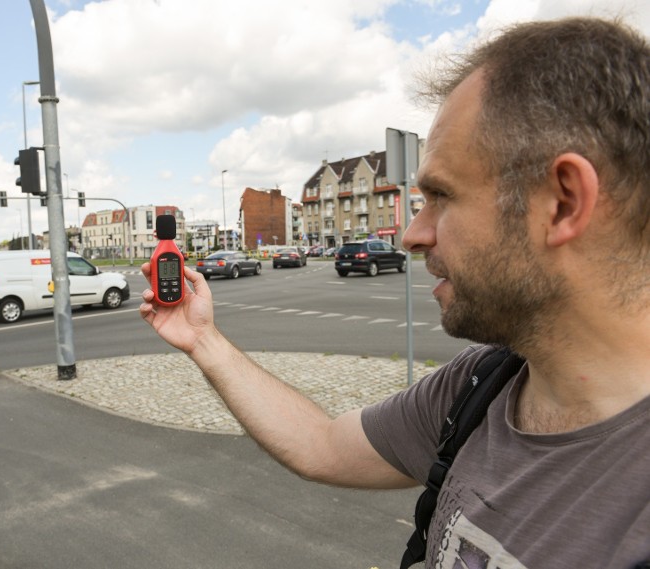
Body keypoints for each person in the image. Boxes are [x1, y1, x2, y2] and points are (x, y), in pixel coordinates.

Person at [140, 17, 649, 568]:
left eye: (441, 196)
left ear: (563, 203)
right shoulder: (480, 386)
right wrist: (204, 340)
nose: (411, 234)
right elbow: (322, 444)